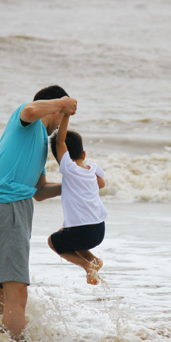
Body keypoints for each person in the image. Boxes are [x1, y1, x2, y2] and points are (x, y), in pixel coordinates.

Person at [0, 85, 77, 341]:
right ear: (54, 108)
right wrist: (63, 102)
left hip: (11, 211)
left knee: (3, 291)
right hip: (6, 208)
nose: (60, 124)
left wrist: (74, 185)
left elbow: (39, 191)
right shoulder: (27, 121)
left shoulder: (41, 144)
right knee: (18, 293)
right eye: (61, 114)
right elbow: (31, 110)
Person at [47, 113, 108, 285]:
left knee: (53, 241)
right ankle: (93, 260)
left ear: (60, 159)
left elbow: (60, 141)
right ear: (84, 153)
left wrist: (65, 116)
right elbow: (101, 184)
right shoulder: (93, 168)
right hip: (99, 230)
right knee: (65, 231)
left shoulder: (69, 168)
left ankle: (86, 265)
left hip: (83, 233)